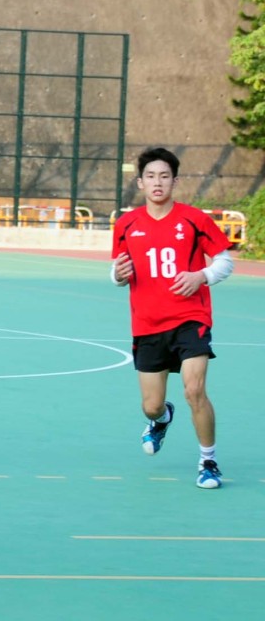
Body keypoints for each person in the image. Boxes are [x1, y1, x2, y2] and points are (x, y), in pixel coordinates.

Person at [111, 147, 234, 489]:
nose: (157, 182)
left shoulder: (194, 220)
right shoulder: (126, 224)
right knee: (150, 406)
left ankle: (208, 461)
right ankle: (162, 419)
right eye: (150, 176)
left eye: (164, 176)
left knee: (195, 390)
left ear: (175, 181)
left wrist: (201, 277)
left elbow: (224, 261)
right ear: (140, 182)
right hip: (148, 324)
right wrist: (117, 276)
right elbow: (118, 270)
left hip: (190, 318)